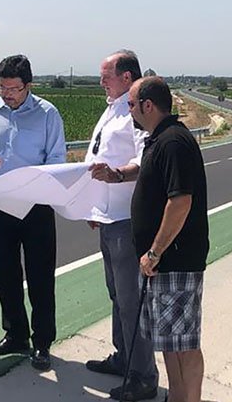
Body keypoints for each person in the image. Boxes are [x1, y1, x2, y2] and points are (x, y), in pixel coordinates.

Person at [0, 54, 66, 371]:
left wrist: (34, 180)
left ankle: (43, 342)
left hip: (35, 204)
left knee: (40, 275)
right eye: (1, 87)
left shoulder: (48, 114)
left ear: (28, 86)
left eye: (13, 88)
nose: (6, 94)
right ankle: (15, 334)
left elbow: (57, 159)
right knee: (5, 271)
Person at [129, 77, 210, 402]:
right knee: (170, 341)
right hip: (161, 264)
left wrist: (154, 251)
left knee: (185, 343)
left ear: (148, 106)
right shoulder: (158, 139)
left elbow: (180, 202)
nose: (130, 111)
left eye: (132, 105)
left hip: (174, 260)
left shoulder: (174, 142)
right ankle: (176, 396)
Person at [85, 51, 159, 401]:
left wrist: (115, 177)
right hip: (108, 218)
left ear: (127, 77)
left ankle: (144, 376)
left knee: (132, 302)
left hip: (128, 220)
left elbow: (142, 161)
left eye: (107, 76)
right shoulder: (112, 107)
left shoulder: (134, 113)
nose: (102, 82)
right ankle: (124, 359)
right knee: (118, 297)